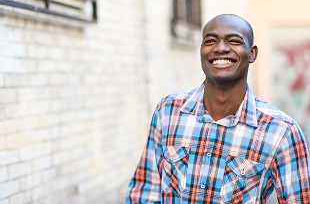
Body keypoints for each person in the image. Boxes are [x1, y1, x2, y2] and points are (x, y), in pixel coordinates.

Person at [126, 14, 310, 203]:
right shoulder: (168, 111)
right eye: (211, 41)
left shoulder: (282, 131)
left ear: (252, 53)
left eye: (234, 41)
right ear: (201, 51)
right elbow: (145, 191)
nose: (220, 48)